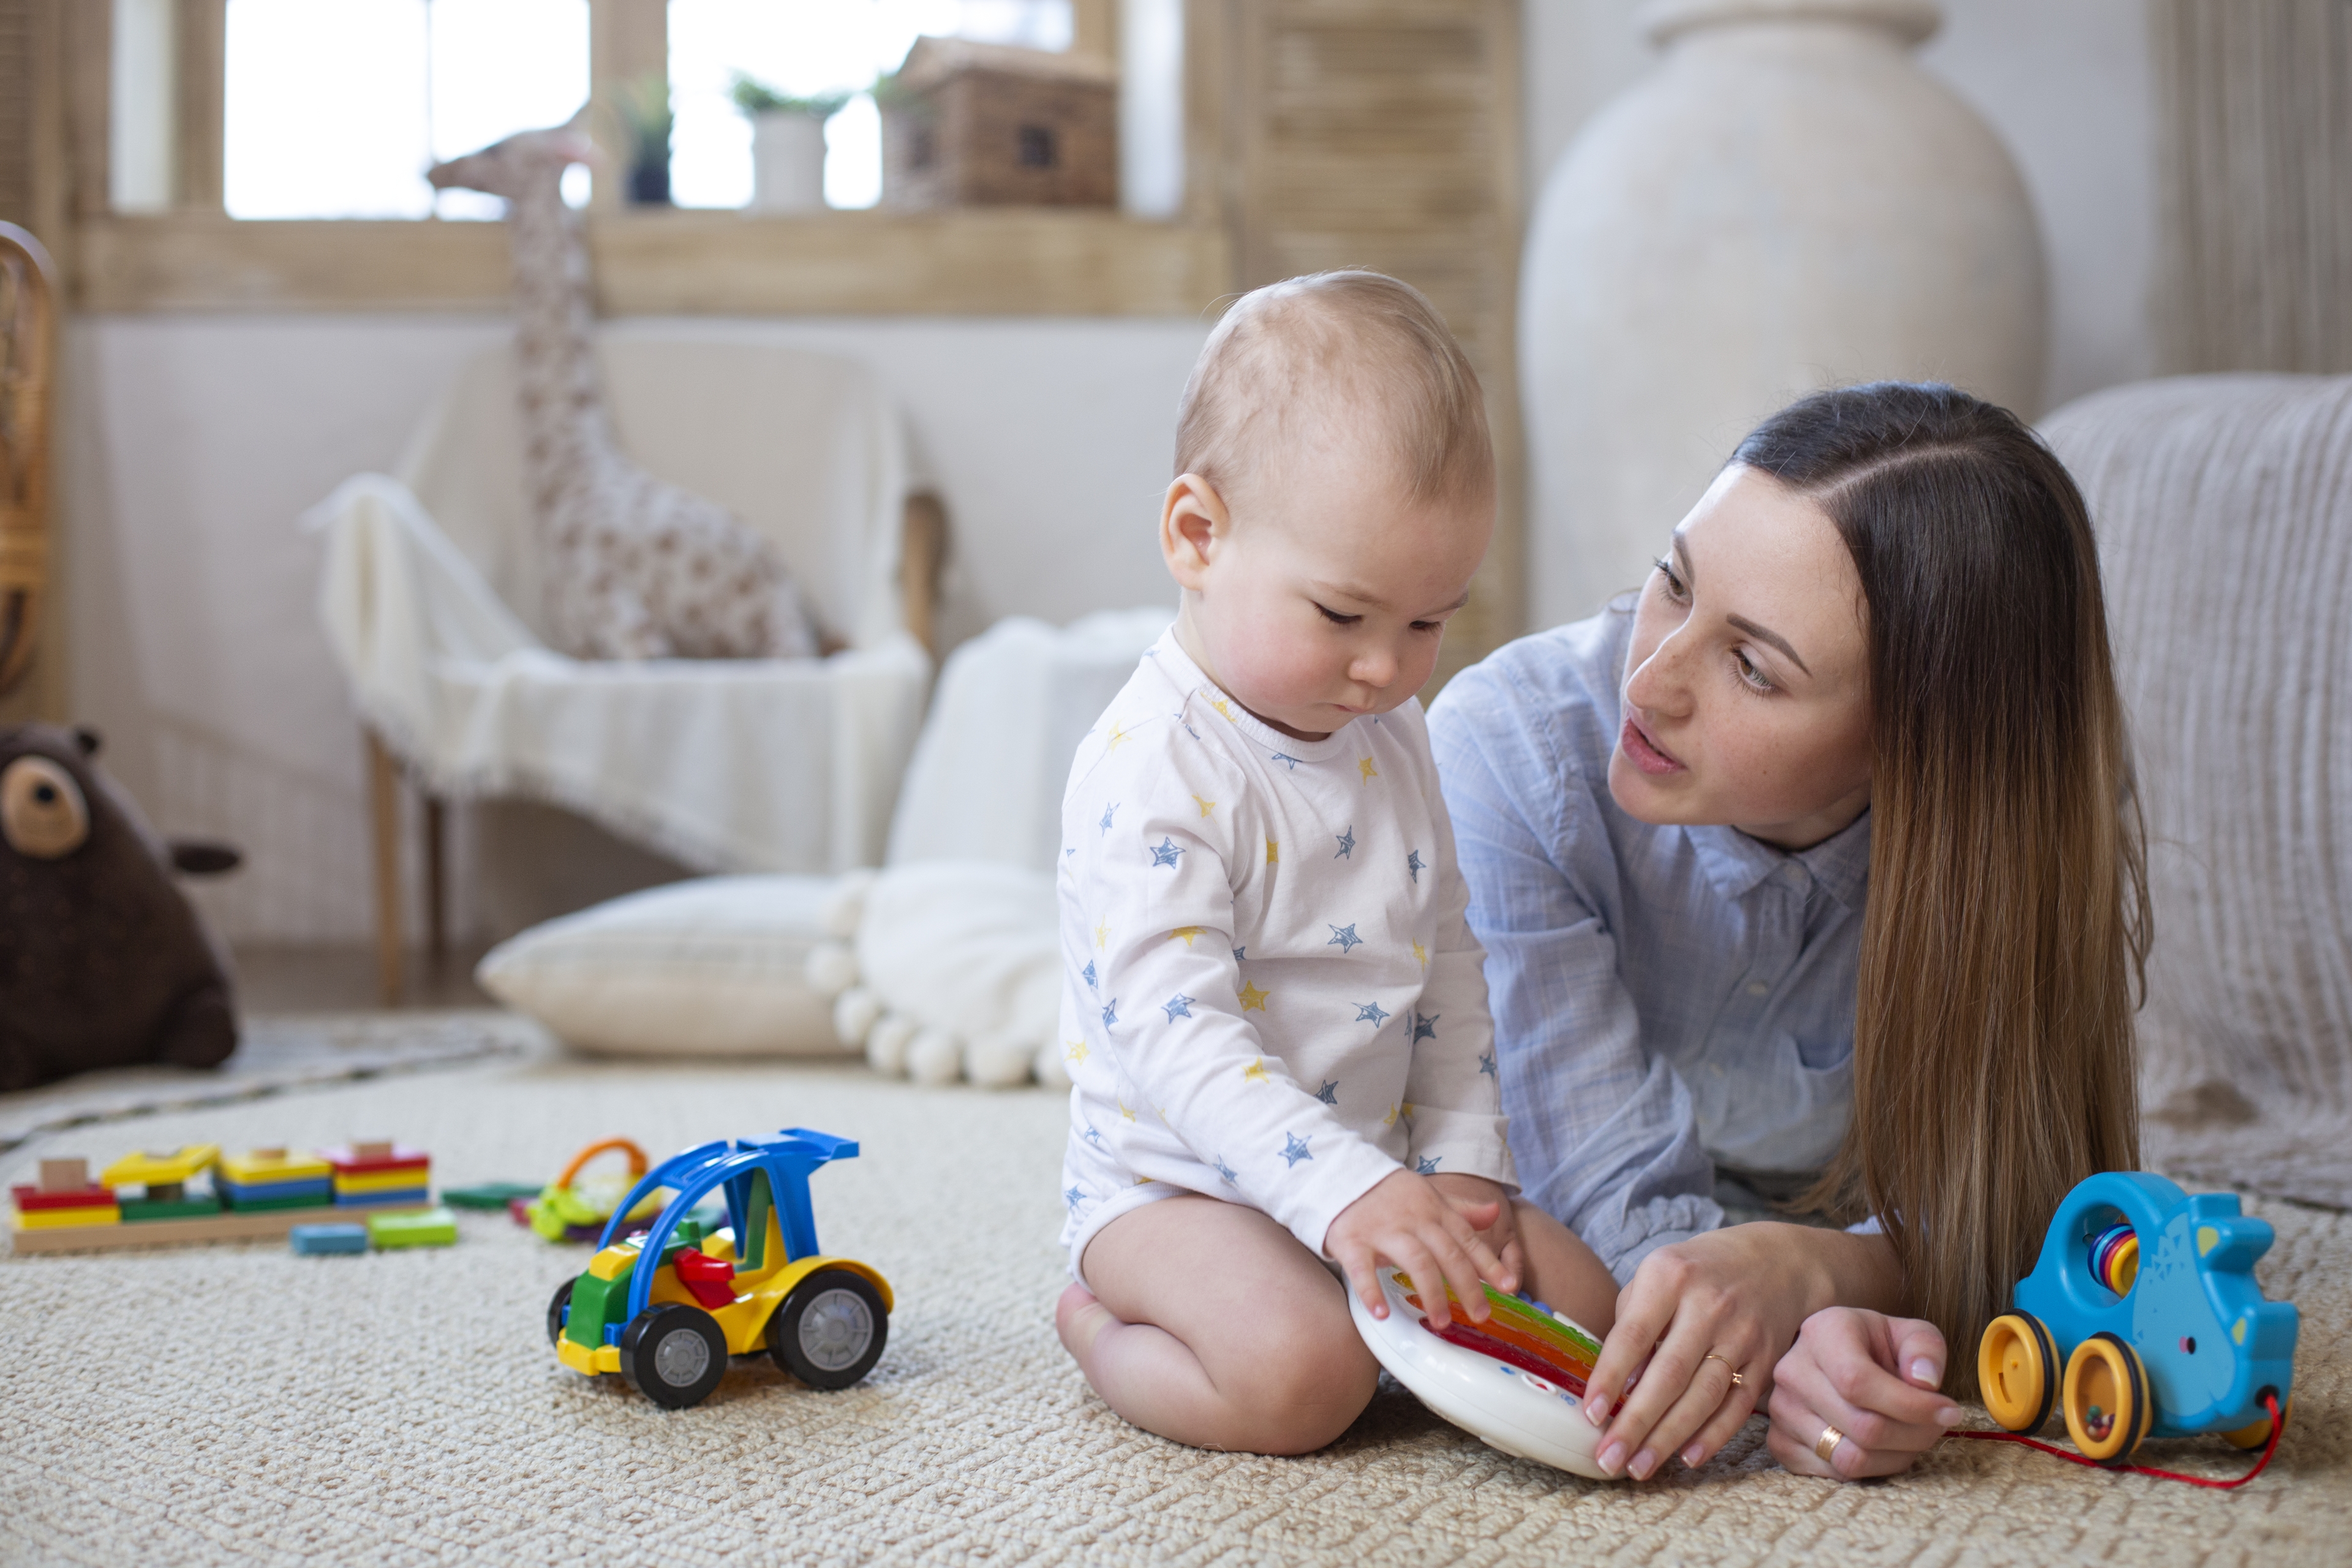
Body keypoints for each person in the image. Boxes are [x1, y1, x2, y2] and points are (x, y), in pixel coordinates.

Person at [1428, 381, 2149, 1482]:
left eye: (1754, 667)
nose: (1651, 678)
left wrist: (1816, 1281)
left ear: (1915, 750)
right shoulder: (1511, 752)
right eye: (1676, 582)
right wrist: (1818, 1297)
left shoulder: (2000, 852)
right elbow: (1620, 1228)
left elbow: (2029, 1214)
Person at [1051, 271, 1625, 1455]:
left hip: (1376, 1161)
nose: (1386, 669)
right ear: (1197, 536)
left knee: (1589, 1311)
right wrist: (1341, 1198)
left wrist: (1464, 1164)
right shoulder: (1156, 765)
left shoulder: (1392, 731)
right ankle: (1096, 1325)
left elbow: (1451, 963)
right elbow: (1173, 1035)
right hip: (1181, 1189)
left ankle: (1375, 1270)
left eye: (1428, 622)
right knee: (1304, 1381)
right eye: (1343, 615)